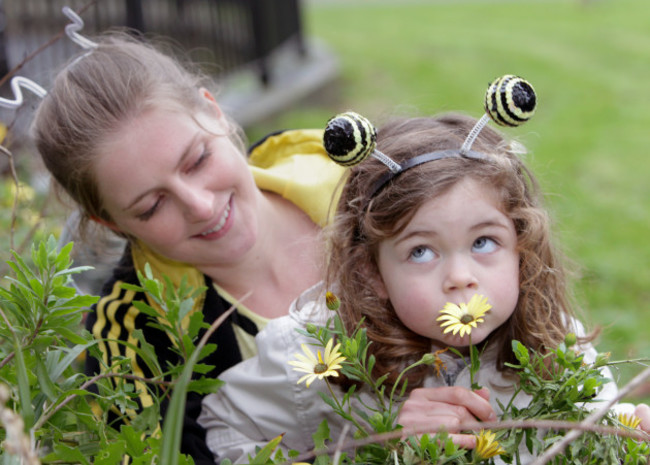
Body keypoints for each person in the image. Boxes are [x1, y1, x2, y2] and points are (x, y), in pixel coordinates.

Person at [198, 112, 650, 463]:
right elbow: (225, 430)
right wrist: (389, 441)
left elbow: (594, 439)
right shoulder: (315, 358)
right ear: (372, 273)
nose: (460, 276)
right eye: (421, 251)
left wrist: (625, 440)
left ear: (522, 249)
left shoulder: (559, 352)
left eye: (484, 242)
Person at [31, 33, 345, 464]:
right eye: (152, 205)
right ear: (111, 224)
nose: (201, 205)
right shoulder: (131, 337)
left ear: (214, 111)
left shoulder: (363, 181)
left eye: (197, 160)